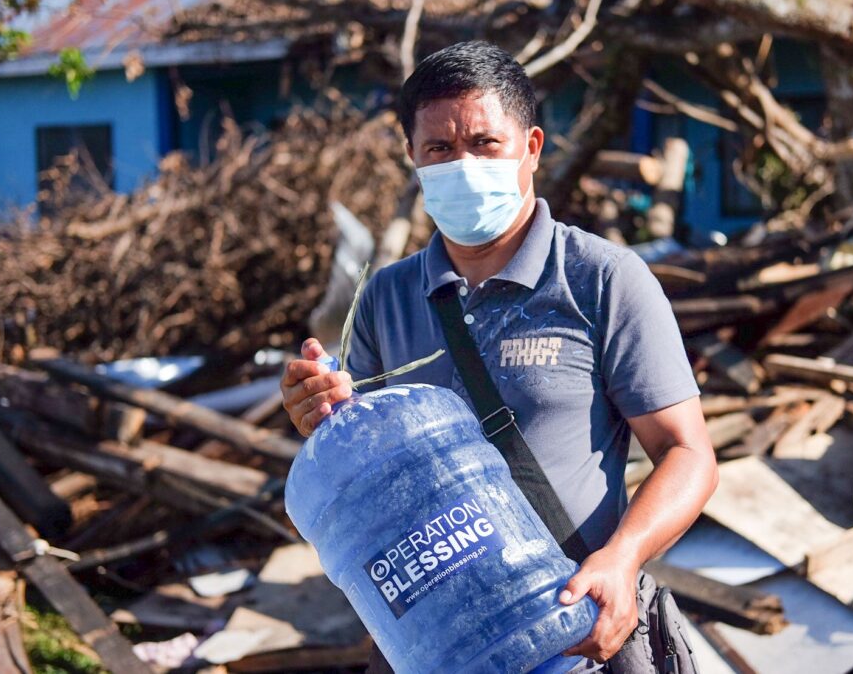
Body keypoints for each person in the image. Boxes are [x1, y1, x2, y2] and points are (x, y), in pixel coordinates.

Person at [281, 40, 717, 670]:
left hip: (579, 637)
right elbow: (376, 478)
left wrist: (622, 560)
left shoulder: (602, 278)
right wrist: (321, 414)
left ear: (532, 147)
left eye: (484, 144)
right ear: (412, 157)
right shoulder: (386, 298)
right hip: (446, 650)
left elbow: (689, 454)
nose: (462, 164)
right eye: (439, 149)